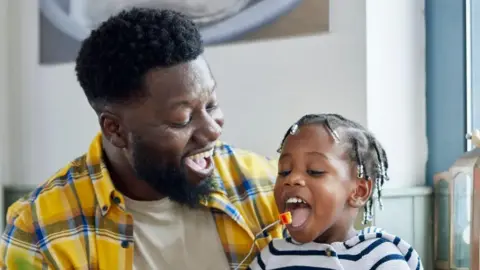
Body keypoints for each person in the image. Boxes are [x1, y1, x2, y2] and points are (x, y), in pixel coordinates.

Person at [0, 8, 284, 270]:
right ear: (115, 129)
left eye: (211, 105)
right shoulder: (40, 232)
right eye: (182, 119)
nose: (212, 131)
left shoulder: (269, 186)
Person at [248, 114, 423, 270]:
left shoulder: (379, 258)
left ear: (358, 192)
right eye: (284, 171)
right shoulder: (271, 257)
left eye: (315, 171)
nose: (291, 179)